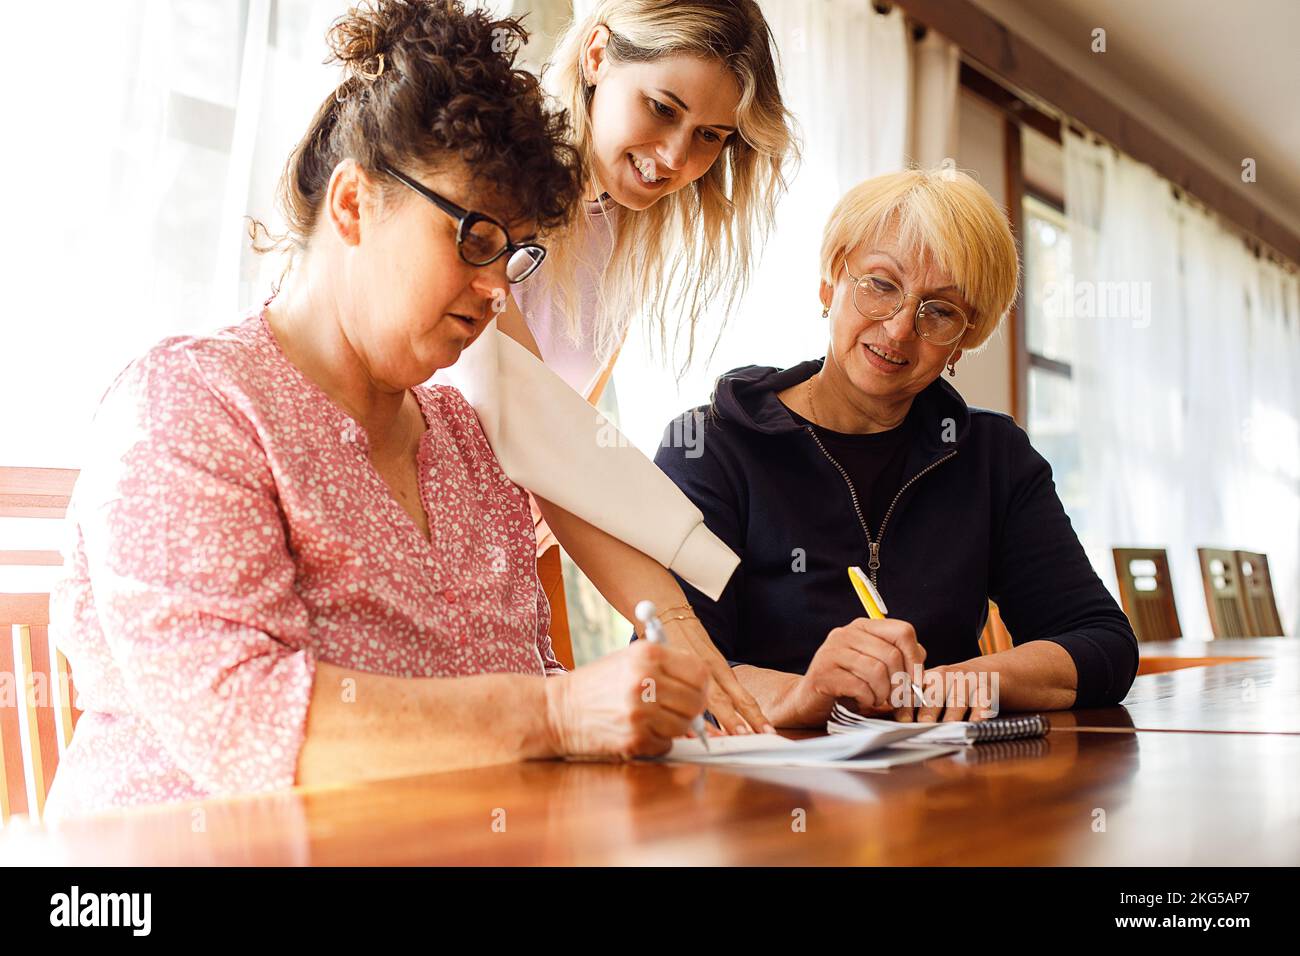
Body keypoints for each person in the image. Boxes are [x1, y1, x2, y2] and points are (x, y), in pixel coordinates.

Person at [47, 0, 708, 819]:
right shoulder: (189, 410)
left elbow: (527, 693)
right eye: (474, 238)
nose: (501, 290)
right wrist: (560, 714)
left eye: (516, 254)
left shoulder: (466, 441)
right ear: (354, 205)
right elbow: (248, 725)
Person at [654, 168, 1140, 727]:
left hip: (942, 788)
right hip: (757, 791)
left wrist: (968, 678)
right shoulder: (708, 447)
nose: (901, 329)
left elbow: (1102, 642)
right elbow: (672, 667)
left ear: (964, 340)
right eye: (881, 285)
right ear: (829, 283)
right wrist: (806, 694)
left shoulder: (991, 456)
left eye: (941, 311)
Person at [456, 0, 798, 735]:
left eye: (711, 137)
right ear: (597, 55)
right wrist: (679, 619)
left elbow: (559, 454)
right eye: (662, 108)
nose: (677, 158)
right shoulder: (485, 181)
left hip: (500, 554)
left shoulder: (615, 233)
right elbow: (532, 430)